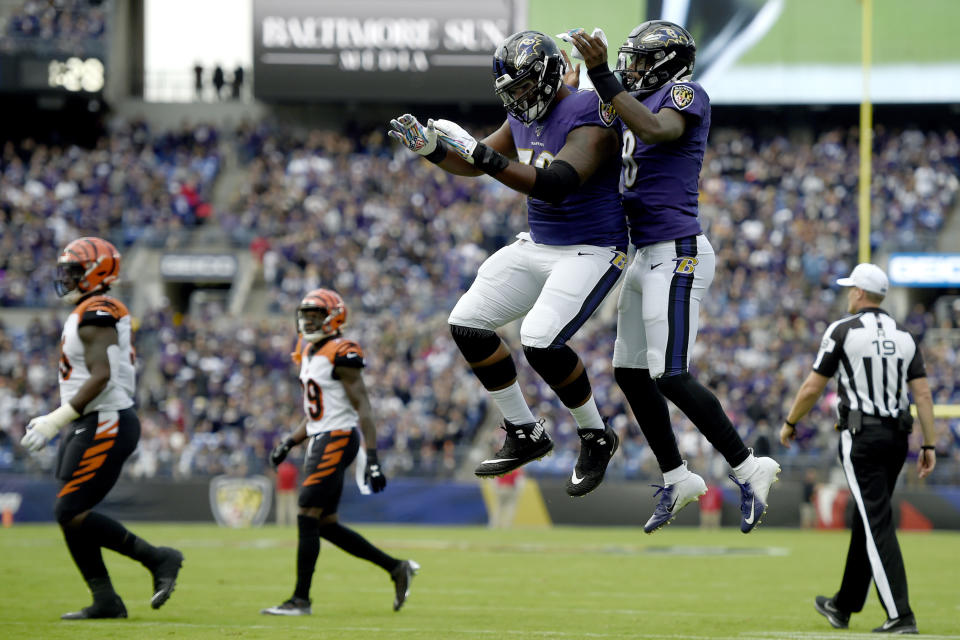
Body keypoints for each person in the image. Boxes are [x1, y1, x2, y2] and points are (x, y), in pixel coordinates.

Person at [389, 30, 626, 497]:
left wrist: (479, 152)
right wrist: (432, 151)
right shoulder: (522, 115)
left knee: (538, 339)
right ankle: (525, 431)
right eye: (510, 92)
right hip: (538, 243)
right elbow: (479, 164)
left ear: (548, 76)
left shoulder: (590, 109)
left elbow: (555, 182)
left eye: (522, 88)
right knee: (468, 322)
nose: (517, 100)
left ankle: (596, 434)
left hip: (592, 247)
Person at [569, 22, 779, 533]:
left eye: (641, 61)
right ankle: (677, 476)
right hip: (644, 252)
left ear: (667, 62)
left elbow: (657, 130)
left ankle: (750, 467)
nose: (631, 70)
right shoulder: (631, 101)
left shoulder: (686, 93)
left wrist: (601, 75)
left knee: (671, 373)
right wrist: (577, 90)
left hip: (678, 249)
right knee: (629, 371)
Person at [19, 237, 183, 619]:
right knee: (72, 512)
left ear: (97, 273)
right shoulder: (87, 310)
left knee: (68, 509)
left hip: (106, 419)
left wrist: (55, 418)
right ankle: (106, 599)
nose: (67, 277)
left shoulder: (98, 311)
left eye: (75, 271)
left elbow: (102, 375)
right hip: (91, 420)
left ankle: (158, 559)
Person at [780, 263, 937, 634]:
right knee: (867, 516)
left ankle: (901, 614)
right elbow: (924, 393)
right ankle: (844, 604)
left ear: (860, 293)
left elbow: (812, 387)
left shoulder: (843, 330)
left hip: (862, 436)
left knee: (875, 520)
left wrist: (790, 423)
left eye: (852, 288)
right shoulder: (905, 335)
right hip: (898, 437)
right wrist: (928, 442)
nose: (849, 293)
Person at [262, 288, 418, 616]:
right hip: (323, 436)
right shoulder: (308, 351)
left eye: (315, 316)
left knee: (306, 513)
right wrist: (289, 442)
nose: (308, 321)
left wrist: (373, 458)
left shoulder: (340, 351)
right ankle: (396, 568)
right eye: (305, 315)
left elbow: (363, 405)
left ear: (334, 318)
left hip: (336, 439)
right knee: (325, 524)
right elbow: (318, 413)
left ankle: (300, 600)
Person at [275, 459, 298, 526]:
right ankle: (293, 522)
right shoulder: (293, 469)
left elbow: (278, 480)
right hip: (291, 490)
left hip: (281, 490)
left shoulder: (280, 469)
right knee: (292, 507)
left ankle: (281, 523)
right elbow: (295, 480)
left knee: (281, 508)